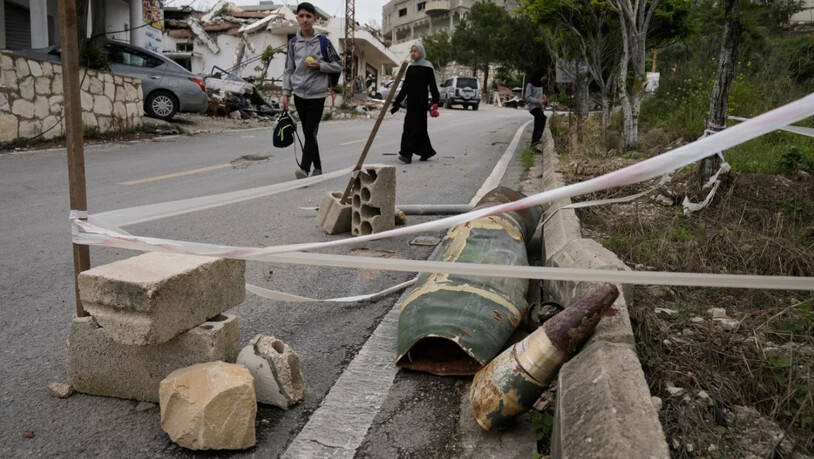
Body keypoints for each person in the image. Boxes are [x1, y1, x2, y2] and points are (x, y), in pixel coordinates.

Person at [282, 2, 342, 179]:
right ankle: (318, 167)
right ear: (297, 18)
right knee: (309, 133)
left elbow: (339, 65)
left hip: (317, 95)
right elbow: (288, 70)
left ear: (315, 19)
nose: (305, 19)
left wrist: (319, 66)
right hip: (299, 95)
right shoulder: (293, 43)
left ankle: (304, 169)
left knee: (309, 132)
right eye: (301, 16)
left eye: (308, 16)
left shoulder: (323, 41)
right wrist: (286, 93)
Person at [391, 43, 440, 164]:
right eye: (411, 51)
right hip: (411, 103)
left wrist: (435, 101)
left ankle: (406, 154)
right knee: (415, 128)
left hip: (422, 103)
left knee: (414, 128)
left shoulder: (428, 67)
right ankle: (426, 151)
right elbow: (405, 87)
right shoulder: (410, 68)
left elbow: (433, 86)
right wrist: (398, 101)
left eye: (415, 51)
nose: (413, 53)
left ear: (421, 52)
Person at [524, 67, 548, 147]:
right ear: (539, 75)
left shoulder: (541, 84)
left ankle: (535, 140)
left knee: (538, 122)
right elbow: (527, 97)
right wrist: (538, 101)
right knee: (542, 118)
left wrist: (544, 97)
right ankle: (536, 140)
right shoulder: (530, 84)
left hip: (540, 107)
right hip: (533, 107)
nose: (545, 78)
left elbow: (540, 94)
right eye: (544, 76)